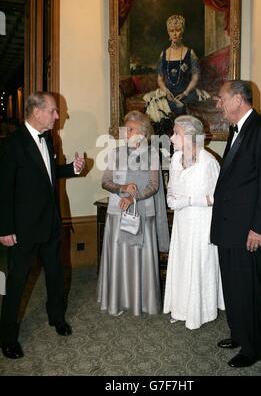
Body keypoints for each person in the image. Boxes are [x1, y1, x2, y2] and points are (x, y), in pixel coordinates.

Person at [0, 92, 85, 359]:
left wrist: (71, 168)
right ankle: (7, 338)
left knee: (56, 274)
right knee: (17, 282)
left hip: (50, 223)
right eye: (53, 111)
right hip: (23, 228)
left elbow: (49, 172)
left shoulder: (48, 138)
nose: (59, 116)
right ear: (36, 112)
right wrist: (4, 229)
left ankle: (56, 318)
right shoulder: (12, 144)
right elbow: (3, 190)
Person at [211, 80, 261, 368]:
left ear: (239, 99)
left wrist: (259, 228)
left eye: (221, 98)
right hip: (229, 228)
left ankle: (254, 348)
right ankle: (239, 334)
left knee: (249, 289)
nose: (218, 103)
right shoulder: (236, 130)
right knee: (233, 286)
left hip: (248, 230)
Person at [97, 110, 169, 316]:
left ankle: (143, 301)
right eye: (125, 129)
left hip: (143, 214)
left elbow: (154, 185)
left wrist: (133, 198)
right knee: (119, 256)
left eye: (131, 129)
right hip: (117, 214)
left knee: (141, 257)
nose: (125, 133)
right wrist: (121, 188)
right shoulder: (116, 153)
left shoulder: (153, 154)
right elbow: (105, 181)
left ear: (143, 132)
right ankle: (117, 300)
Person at [163, 115, 224, 329]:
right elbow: (171, 187)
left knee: (198, 262)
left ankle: (200, 311)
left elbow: (220, 198)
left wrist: (188, 201)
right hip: (182, 221)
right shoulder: (175, 158)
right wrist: (171, 200)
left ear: (190, 136)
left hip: (201, 223)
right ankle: (181, 307)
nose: (171, 138)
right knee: (182, 262)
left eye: (176, 133)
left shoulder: (209, 162)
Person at [157, 15, 208, 116]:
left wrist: (185, 93)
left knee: (182, 107)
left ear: (182, 31)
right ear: (168, 32)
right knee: (162, 107)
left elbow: (195, 78)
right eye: (172, 31)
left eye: (178, 30)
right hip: (168, 93)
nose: (175, 34)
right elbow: (160, 79)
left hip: (186, 92)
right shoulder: (164, 53)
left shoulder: (190, 53)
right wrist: (166, 91)